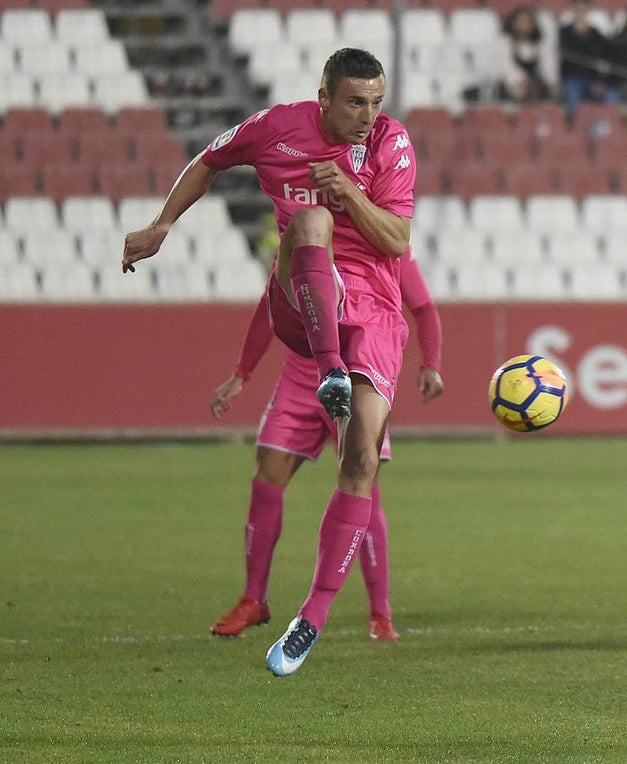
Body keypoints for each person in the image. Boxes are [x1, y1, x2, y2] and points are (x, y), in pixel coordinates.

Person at [122, 48, 417, 677]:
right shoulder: (277, 127)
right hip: (302, 301)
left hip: (374, 309)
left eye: (375, 102)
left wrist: (352, 196)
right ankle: (331, 368)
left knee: (361, 460)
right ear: (324, 97)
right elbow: (209, 159)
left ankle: (309, 618)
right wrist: (161, 225)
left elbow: (396, 240)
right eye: (354, 102)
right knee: (309, 219)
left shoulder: (392, 146)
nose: (368, 115)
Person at [208, 248, 444, 643]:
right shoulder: (303, 243)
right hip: (303, 378)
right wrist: (241, 373)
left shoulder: (386, 247)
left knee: (364, 483)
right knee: (266, 476)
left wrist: (430, 364)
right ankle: (253, 599)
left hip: (361, 375)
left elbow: (423, 307)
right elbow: (269, 311)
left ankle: (380, 613)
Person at [558, 0, 620, 115]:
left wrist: (601, 81)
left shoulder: (596, 34)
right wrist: (578, 34)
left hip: (594, 79)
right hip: (573, 79)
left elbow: (604, 58)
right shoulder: (564, 33)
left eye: (583, 11)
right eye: (578, 11)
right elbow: (566, 61)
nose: (580, 14)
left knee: (612, 96)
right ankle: (573, 127)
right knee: (572, 94)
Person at [497, 6, 558, 103]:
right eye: (520, 22)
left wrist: (552, 82)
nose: (524, 25)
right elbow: (505, 65)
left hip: (534, 83)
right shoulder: (505, 41)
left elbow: (549, 65)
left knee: (540, 89)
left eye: (527, 22)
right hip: (511, 83)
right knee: (528, 90)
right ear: (513, 24)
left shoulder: (540, 44)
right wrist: (518, 80)